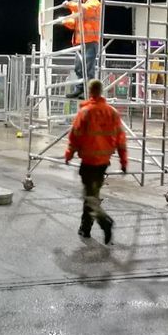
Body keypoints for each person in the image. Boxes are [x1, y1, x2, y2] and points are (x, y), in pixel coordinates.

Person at [64, 78, 128, 244]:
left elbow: (75, 136)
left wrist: (69, 154)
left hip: (88, 162)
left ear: (90, 92)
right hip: (103, 163)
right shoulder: (112, 112)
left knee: (89, 196)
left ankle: (104, 221)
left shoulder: (85, 112)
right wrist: (123, 162)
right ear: (101, 91)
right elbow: (121, 139)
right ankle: (85, 228)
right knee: (93, 194)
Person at [61, 0, 101, 96]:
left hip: (90, 41)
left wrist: (69, 4)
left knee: (88, 68)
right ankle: (80, 89)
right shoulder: (79, 5)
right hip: (80, 42)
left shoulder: (94, 3)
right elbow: (75, 23)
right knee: (79, 68)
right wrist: (64, 21)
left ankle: (89, 92)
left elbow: (85, 9)